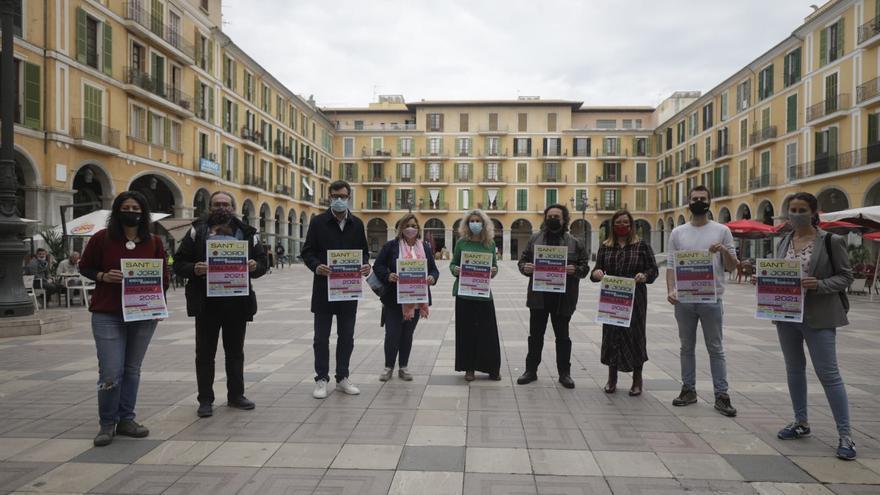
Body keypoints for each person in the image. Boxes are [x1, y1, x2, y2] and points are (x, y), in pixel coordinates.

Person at [78, 191, 169, 447]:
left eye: (136, 207)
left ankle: (127, 419)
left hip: (143, 314)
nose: (132, 211)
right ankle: (107, 423)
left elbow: (163, 276)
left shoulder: (154, 241)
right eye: (126, 207)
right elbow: (84, 267)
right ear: (117, 211)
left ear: (143, 212)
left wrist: (158, 306)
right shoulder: (101, 239)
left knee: (132, 370)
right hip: (107, 313)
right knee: (110, 371)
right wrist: (103, 277)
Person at [773, 192, 856, 460]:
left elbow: (845, 276)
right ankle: (801, 422)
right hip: (787, 316)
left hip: (819, 317)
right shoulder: (784, 240)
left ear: (813, 211)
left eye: (801, 209)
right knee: (794, 370)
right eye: (792, 209)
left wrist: (819, 285)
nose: (796, 214)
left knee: (829, 374)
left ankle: (845, 435)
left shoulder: (831, 240)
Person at [173, 191, 268, 418]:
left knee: (235, 353)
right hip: (205, 303)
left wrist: (256, 266)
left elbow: (264, 263)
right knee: (204, 354)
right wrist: (194, 268)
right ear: (209, 207)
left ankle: (236, 396)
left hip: (237, 303)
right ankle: (205, 399)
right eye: (217, 204)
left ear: (233, 208)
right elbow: (179, 263)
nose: (221, 208)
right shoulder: (197, 231)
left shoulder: (247, 233)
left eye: (225, 204)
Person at [666, 185, 738, 417]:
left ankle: (722, 394)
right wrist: (671, 290)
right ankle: (688, 389)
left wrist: (723, 252)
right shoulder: (677, 232)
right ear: (688, 202)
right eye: (694, 198)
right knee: (686, 347)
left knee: (715, 348)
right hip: (685, 300)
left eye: (702, 198)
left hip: (712, 299)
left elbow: (732, 266)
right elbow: (671, 266)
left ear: (710, 201)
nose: (698, 201)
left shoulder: (722, 231)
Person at [301, 180, 371, 399]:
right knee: (321, 337)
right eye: (334, 196)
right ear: (329, 197)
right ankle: (321, 378)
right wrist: (316, 266)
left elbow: (364, 252)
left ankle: (342, 377)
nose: (339, 200)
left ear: (349, 197)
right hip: (323, 289)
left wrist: (366, 265)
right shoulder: (318, 222)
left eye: (342, 196)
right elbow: (307, 251)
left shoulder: (357, 224)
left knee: (347, 336)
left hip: (348, 290)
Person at [516, 204, 590, 389]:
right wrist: (526, 268)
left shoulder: (575, 242)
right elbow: (522, 261)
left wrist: (576, 270)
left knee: (563, 337)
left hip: (563, 298)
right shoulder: (535, 239)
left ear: (564, 219)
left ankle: (564, 373)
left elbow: (585, 268)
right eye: (550, 216)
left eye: (557, 216)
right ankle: (530, 371)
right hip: (539, 297)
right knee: (535, 336)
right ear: (545, 218)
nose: (553, 219)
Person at [590, 210, 658, 395]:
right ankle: (612, 378)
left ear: (631, 225)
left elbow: (653, 270)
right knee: (612, 336)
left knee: (635, 336)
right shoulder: (605, 246)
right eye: (618, 222)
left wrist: (644, 276)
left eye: (626, 223)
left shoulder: (642, 245)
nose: (622, 226)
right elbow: (596, 271)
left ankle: (637, 379)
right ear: (613, 226)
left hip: (635, 298)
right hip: (612, 297)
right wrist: (596, 274)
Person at [372, 214, 440, 381]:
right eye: (408, 225)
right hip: (394, 300)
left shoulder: (424, 247)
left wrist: (432, 277)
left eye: (414, 226)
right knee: (392, 334)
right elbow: (378, 266)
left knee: (407, 335)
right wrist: (388, 275)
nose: (411, 228)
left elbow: (433, 269)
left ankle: (403, 367)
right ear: (401, 228)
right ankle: (388, 367)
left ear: (418, 229)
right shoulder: (391, 246)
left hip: (417, 300)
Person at [450, 209, 500, 381]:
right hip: (464, 294)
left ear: (484, 224)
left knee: (488, 333)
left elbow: (494, 267)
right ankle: (468, 368)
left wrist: (493, 271)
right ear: (467, 224)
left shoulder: (490, 244)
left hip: (484, 294)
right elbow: (453, 263)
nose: (475, 224)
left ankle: (492, 368)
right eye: (472, 221)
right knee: (466, 333)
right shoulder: (461, 243)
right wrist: (455, 270)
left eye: (478, 221)